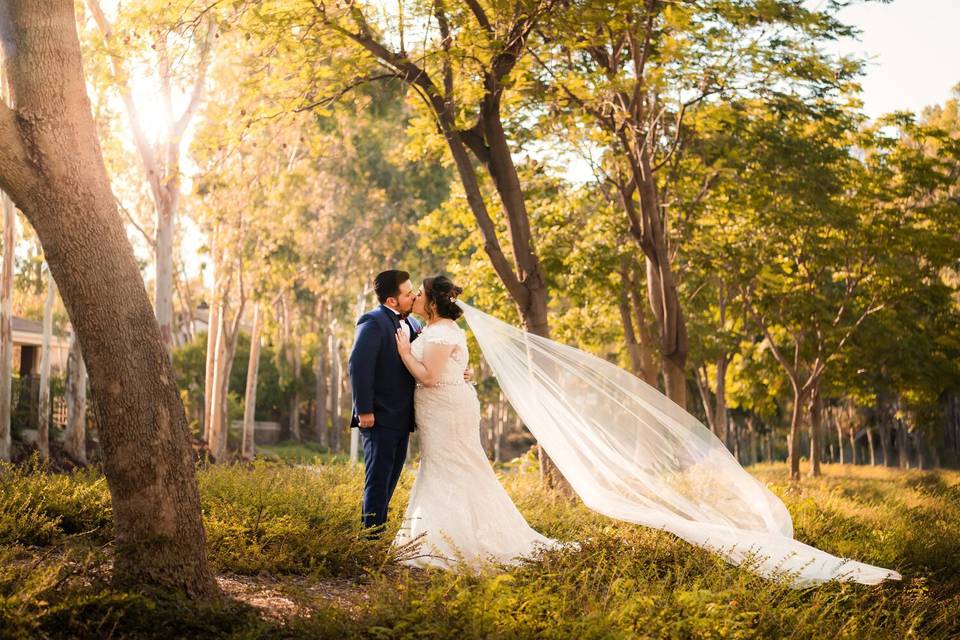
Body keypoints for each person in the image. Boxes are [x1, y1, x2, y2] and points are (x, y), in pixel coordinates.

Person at [393, 275, 558, 567]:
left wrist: (405, 352)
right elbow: (447, 366)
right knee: (443, 467)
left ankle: (448, 543)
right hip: (439, 409)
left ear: (432, 302)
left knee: (453, 467)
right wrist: (461, 371)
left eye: (419, 293)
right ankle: (432, 536)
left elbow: (430, 377)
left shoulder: (442, 331)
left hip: (447, 410)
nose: (415, 297)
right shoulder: (431, 328)